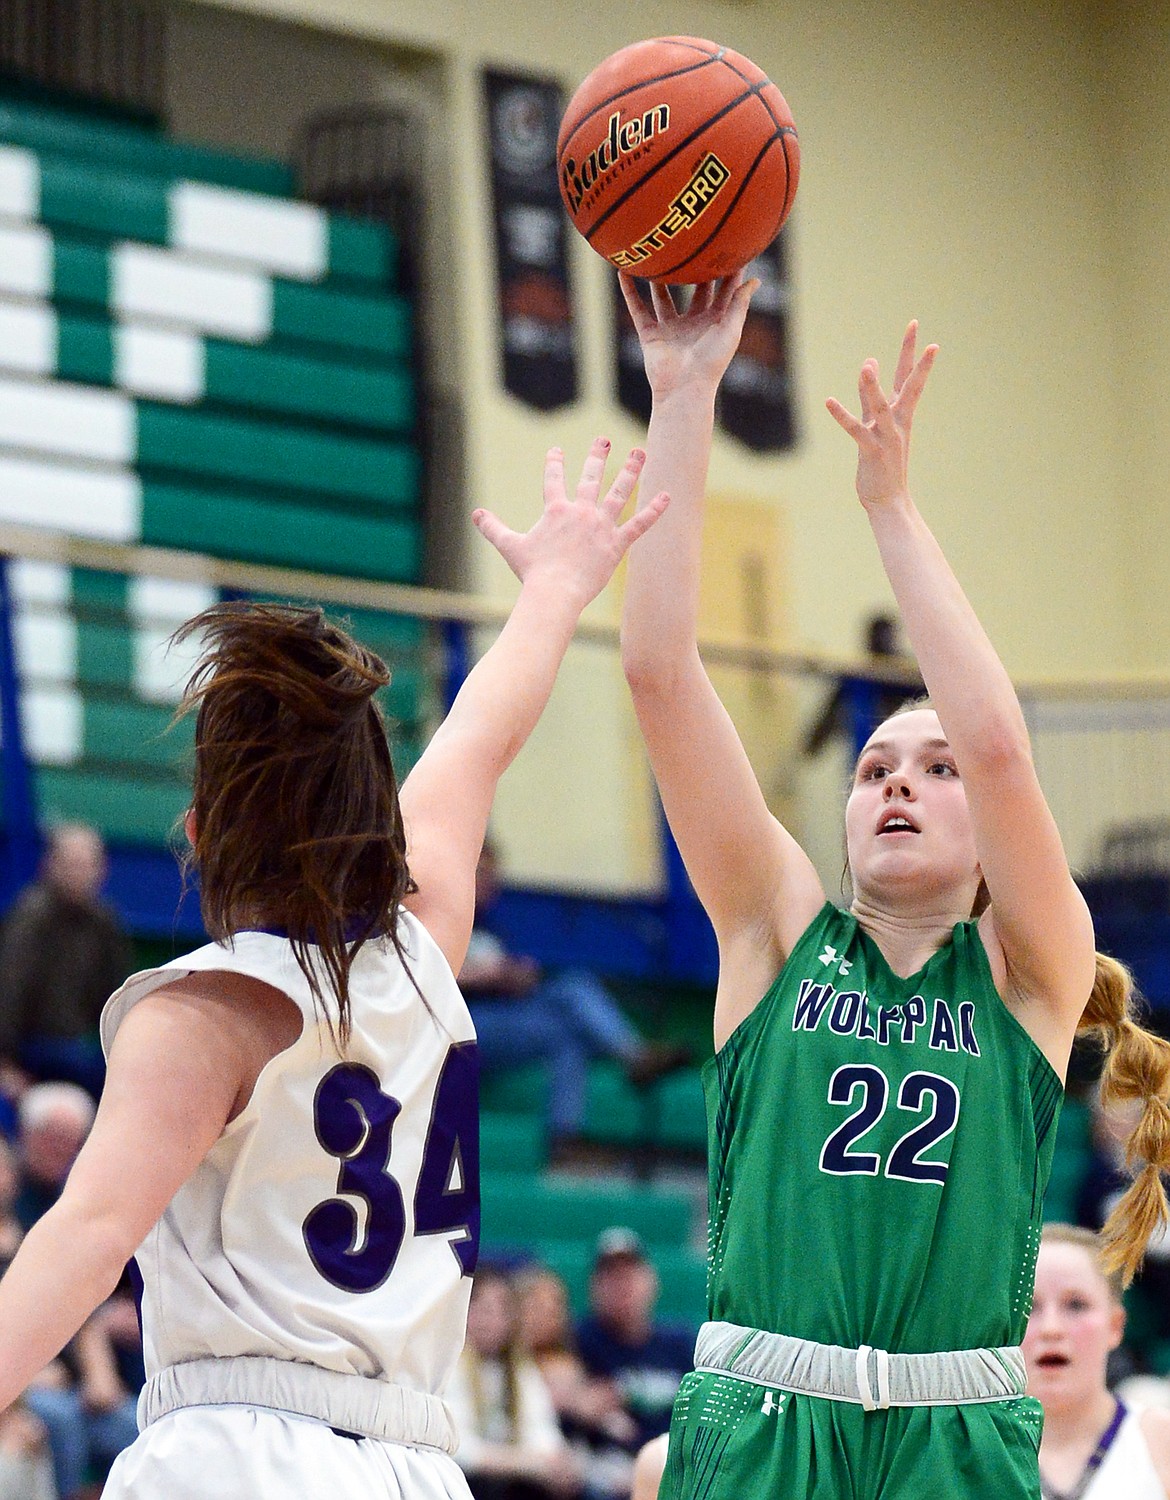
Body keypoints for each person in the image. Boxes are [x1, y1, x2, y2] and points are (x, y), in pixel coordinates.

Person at [0, 437, 668, 1499]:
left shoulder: (206, 1011)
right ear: (376, 824)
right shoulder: (428, 942)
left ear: (197, 831)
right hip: (416, 1462)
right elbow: (481, 733)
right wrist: (558, 587)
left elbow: (85, 1236)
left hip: (235, 1453)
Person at [618, 276, 1170, 1500]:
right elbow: (657, 671)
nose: (900, 785)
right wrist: (683, 395)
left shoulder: (1031, 973)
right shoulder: (775, 927)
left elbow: (1001, 742)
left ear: (990, 841)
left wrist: (892, 509)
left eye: (934, 768)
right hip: (765, 1412)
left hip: (956, 1427)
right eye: (874, 769)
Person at [462, 845, 690, 1161]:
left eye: (492, 874)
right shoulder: (444, 918)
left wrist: (516, 977)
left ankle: (565, 1139)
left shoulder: (491, 925)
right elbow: (433, 975)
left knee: (572, 1003)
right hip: (462, 1025)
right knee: (570, 1013)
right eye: (481, 873)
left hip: (502, 1013)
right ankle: (632, 1057)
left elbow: (506, 977)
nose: (489, 882)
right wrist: (488, 974)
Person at [1025, 1223, 1170, 1497]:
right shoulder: (969, 1452)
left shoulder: (1161, 1440)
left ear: (1115, 1325)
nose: (1051, 1328)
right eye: (1029, 1308)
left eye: (1076, 1305)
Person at [0, 824, 132, 1103]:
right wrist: (5, 1062)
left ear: (102, 869)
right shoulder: (30, 918)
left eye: (86, 865)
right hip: (34, 1047)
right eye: (71, 864)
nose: (79, 874)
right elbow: (9, 991)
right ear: (49, 865)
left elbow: (117, 995)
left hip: (81, 1046)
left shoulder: (104, 923)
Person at [573, 1230, 694, 1500]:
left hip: (674, 1464)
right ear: (594, 1286)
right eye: (611, 1277)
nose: (622, 1285)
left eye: (630, 1274)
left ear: (652, 1280)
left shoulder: (680, 1343)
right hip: (609, 1469)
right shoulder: (581, 1340)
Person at [446, 1267, 580, 1500]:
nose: (493, 1320)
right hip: (464, 1482)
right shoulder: (448, 1367)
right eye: (485, 1310)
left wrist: (552, 1461)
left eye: (502, 1311)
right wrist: (523, 1462)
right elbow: (459, 1450)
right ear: (465, 1311)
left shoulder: (520, 1369)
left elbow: (543, 1432)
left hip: (515, 1483)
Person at [801, 611, 922, 758]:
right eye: (876, 637)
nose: (880, 642)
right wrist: (813, 744)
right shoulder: (856, 676)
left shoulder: (906, 676)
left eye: (885, 637)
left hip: (901, 748)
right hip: (864, 751)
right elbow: (831, 712)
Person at [13, 1085, 94, 1233]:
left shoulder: (79, 1198)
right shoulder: (6, 1189)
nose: (60, 1149)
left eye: (69, 1140)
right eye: (52, 1138)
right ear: (26, 1134)